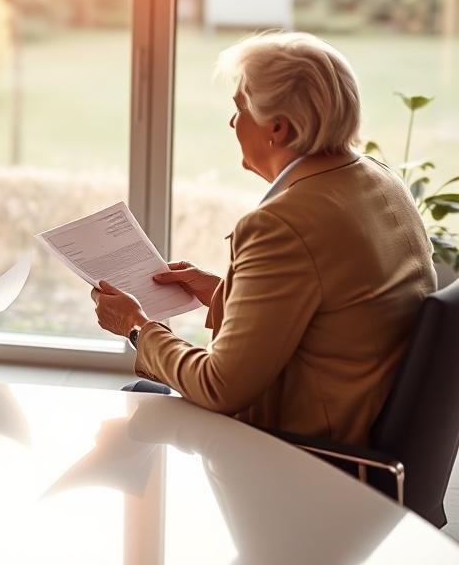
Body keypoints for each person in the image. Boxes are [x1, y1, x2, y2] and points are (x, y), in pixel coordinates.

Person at [91, 32, 436, 445]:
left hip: (305, 457)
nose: (232, 122)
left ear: (278, 128)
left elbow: (220, 388)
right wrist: (222, 292)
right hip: (360, 428)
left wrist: (136, 327)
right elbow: (337, 312)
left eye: (239, 108)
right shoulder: (380, 180)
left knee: (128, 422)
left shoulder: (281, 224)